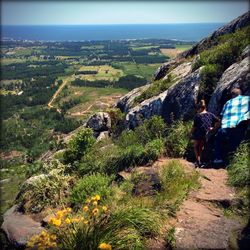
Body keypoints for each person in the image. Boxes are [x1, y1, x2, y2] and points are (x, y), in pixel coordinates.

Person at [214, 88, 250, 163]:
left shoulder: (228, 102)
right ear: (240, 93)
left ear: (233, 95)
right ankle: (231, 161)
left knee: (218, 140)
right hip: (240, 126)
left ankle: (218, 158)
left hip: (226, 126)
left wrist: (214, 128)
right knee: (234, 144)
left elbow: (222, 116)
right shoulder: (248, 99)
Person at [191, 100, 220, 167]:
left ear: (200, 108)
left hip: (198, 133)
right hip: (207, 133)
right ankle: (201, 160)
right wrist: (213, 128)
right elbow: (218, 121)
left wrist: (190, 133)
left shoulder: (197, 116)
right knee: (201, 147)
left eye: (198, 109)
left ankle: (198, 160)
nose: (197, 111)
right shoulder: (211, 114)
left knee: (195, 146)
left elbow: (194, 127)